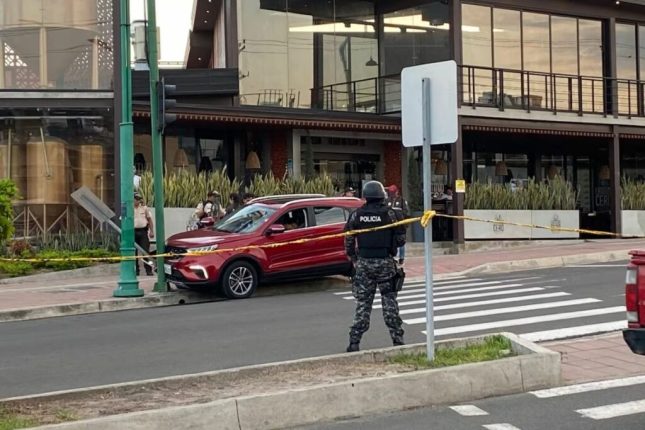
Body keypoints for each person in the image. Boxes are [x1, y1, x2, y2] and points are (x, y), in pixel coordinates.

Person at [344, 180, 406, 352]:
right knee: (389, 302)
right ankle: (398, 341)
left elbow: (348, 238)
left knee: (363, 304)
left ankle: (354, 342)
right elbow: (401, 240)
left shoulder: (356, 215)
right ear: (381, 196)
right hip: (385, 263)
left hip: (364, 263)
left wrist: (354, 258)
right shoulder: (392, 214)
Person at [387, 185, 409, 265]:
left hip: (400, 225)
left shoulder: (402, 201)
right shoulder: (387, 200)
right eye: (390, 193)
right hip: (390, 225)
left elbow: (406, 212)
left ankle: (401, 258)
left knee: (401, 241)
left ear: (397, 191)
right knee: (391, 241)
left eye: (393, 192)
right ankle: (392, 257)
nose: (392, 194)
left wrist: (400, 217)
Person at [133, 193, 154, 276]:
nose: (138, 201)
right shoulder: (128, 208)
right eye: (136, 199)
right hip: (132, 232)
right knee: (133, 253)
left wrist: (152, 231)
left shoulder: (144, 208)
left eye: (139, 199)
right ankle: (136, 271)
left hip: (143, 232)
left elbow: (149, 220)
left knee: (145, 251)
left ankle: (148, 270)